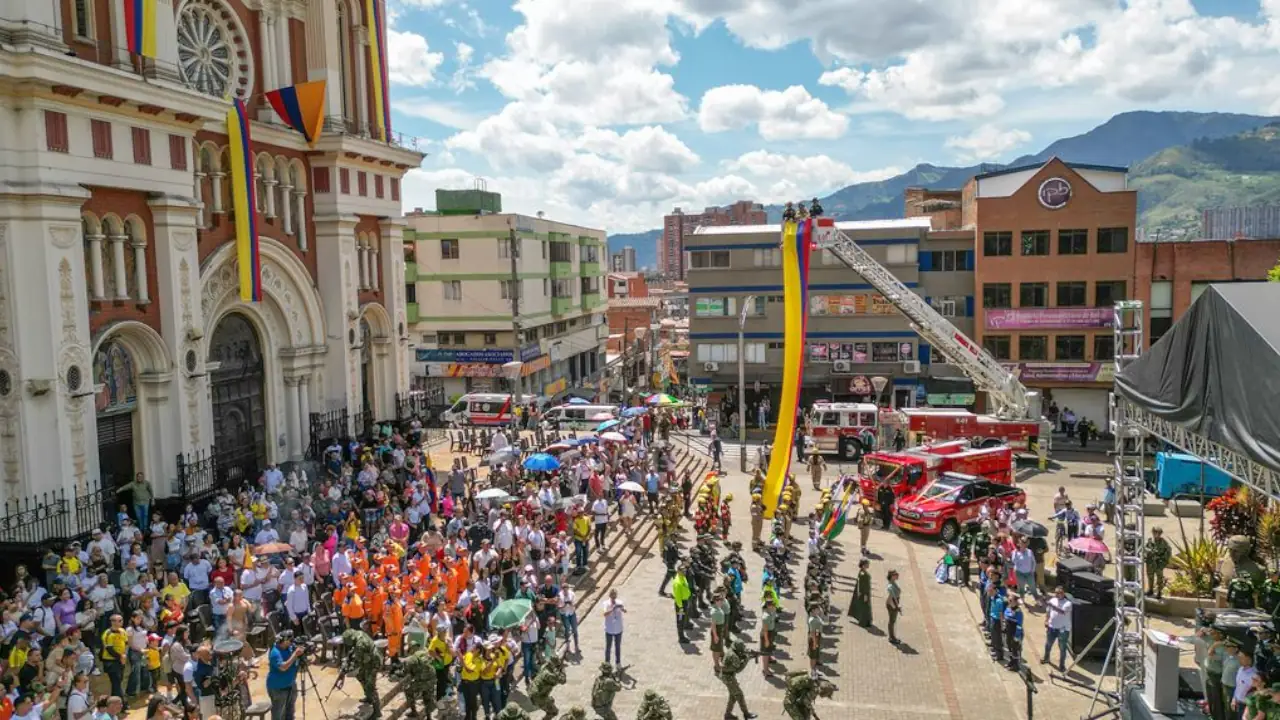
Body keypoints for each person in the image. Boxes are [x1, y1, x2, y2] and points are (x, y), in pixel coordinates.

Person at [266, 631, 303, 720]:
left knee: (290, 712)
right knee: (279, 715)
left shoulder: (289, 648)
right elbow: (283, 667)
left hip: (290, 685)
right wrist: (295, 654)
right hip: (278, 688)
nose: (291, 643)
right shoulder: (275, 652)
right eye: (290, 640)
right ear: (284, 641)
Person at [1042, 585, 1072, 672]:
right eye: (1056, 593)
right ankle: (1046, 658)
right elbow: (1048, 611)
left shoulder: (1068, 603)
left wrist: (1051, 605)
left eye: (1059, 593)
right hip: (1052, 628)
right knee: (1048, 644)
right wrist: (1046, 620)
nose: (1057, 594)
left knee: (1062, 648)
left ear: (1063, 593)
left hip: (1063, 630)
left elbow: (1062, 612)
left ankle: (1062, 665)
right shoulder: (1052, 600)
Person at [602, 589, 625, 668]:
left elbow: (624, 610)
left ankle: (618, 662)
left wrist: (621, 608)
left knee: (617, 646)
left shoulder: (619, 602)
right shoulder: (606, 603)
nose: (614, 598)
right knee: (608, 646)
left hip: (618, 628)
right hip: (609, 628)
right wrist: (612, 609)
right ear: (610, 596)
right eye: (612, 596)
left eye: (615, 596)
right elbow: (605, 614)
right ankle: (607, 663)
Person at [849, 558, 872, 628]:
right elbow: (862, 585)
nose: (868, 565)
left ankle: (867, 621)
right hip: (864, 593)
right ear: (863, 565)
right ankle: (863, 622)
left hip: (866, 592)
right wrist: (865, 594)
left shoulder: (863, 572)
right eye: (867, 563)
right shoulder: (862, 574)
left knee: (867, 607)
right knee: (864, 608)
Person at [885, 569, 902, 645]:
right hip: (892, 604)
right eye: (895, 574)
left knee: (893, 621)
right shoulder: (891, 586)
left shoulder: (893, 583)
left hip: (895, 603)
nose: (897, 575)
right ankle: (892, 637)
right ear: (892, 576)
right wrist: (895, 607)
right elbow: (889, 600)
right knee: (892, 621)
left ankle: (892, 636)